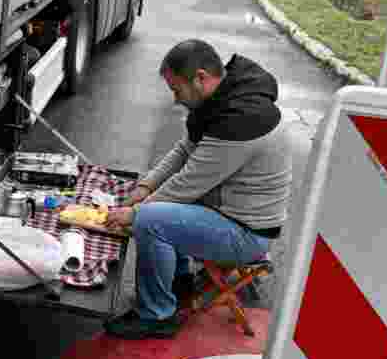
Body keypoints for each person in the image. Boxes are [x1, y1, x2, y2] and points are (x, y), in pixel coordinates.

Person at [103, 40, 293, 340]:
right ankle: (179, 283)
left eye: (177, 90)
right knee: (156, 208)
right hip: (228, 212)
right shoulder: (222, 101)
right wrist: (145, 185)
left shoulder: (242, 120)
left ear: (201, 78)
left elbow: (188, 183)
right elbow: (184, 151)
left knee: (150, 221)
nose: (175, 99)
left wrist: (134, 212)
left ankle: (156, 316)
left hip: (246, 234)